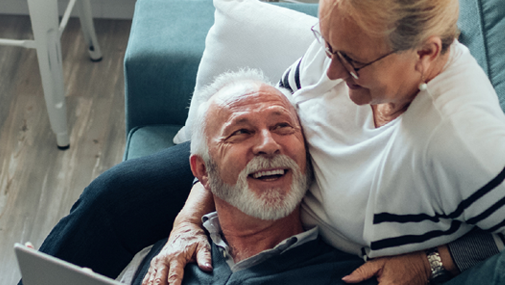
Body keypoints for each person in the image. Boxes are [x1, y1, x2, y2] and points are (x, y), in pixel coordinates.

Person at [38, 0, 505, 284]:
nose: (329, 71)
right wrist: (192, 213)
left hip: (321, 246)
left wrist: (432, 261)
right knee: (115, 196)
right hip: (274, 168)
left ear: (425, 56)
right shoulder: (341, 41)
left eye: (351, 61)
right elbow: (286, 101)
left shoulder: (462, 145)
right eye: (326, 44)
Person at [116, 70, 364, 285]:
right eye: (242, 131)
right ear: (203, 171)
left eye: (282, 126)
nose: (269, 145)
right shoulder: (162, 261)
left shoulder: (351, 276)